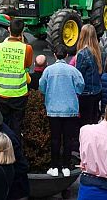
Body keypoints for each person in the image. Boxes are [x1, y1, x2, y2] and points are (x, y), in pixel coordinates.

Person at [39, 45, 84, 177]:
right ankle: (66, 166)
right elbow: (80, 86)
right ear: (66, 56)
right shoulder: (73, 71)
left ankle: (54, 166)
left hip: (53, 109)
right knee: (68, 139)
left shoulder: (48, 70)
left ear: (54, 55)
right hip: (70, 109)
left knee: (55, 138)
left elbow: (42, 86)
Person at [0, 18, 32, 136]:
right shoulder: (27, 48)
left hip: (2, 94)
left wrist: (1, 81)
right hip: (20, 94)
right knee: (17, 125)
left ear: (8, 29)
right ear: (22, 32)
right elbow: (27, 66)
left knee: (4, 124)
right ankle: (16, 149)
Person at [75, 24, 103, 125]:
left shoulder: (83, 54)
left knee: (85, 123)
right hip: (97, 91)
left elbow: (78, 76)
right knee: (94, 121)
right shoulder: (99, 51)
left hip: (86, 93)